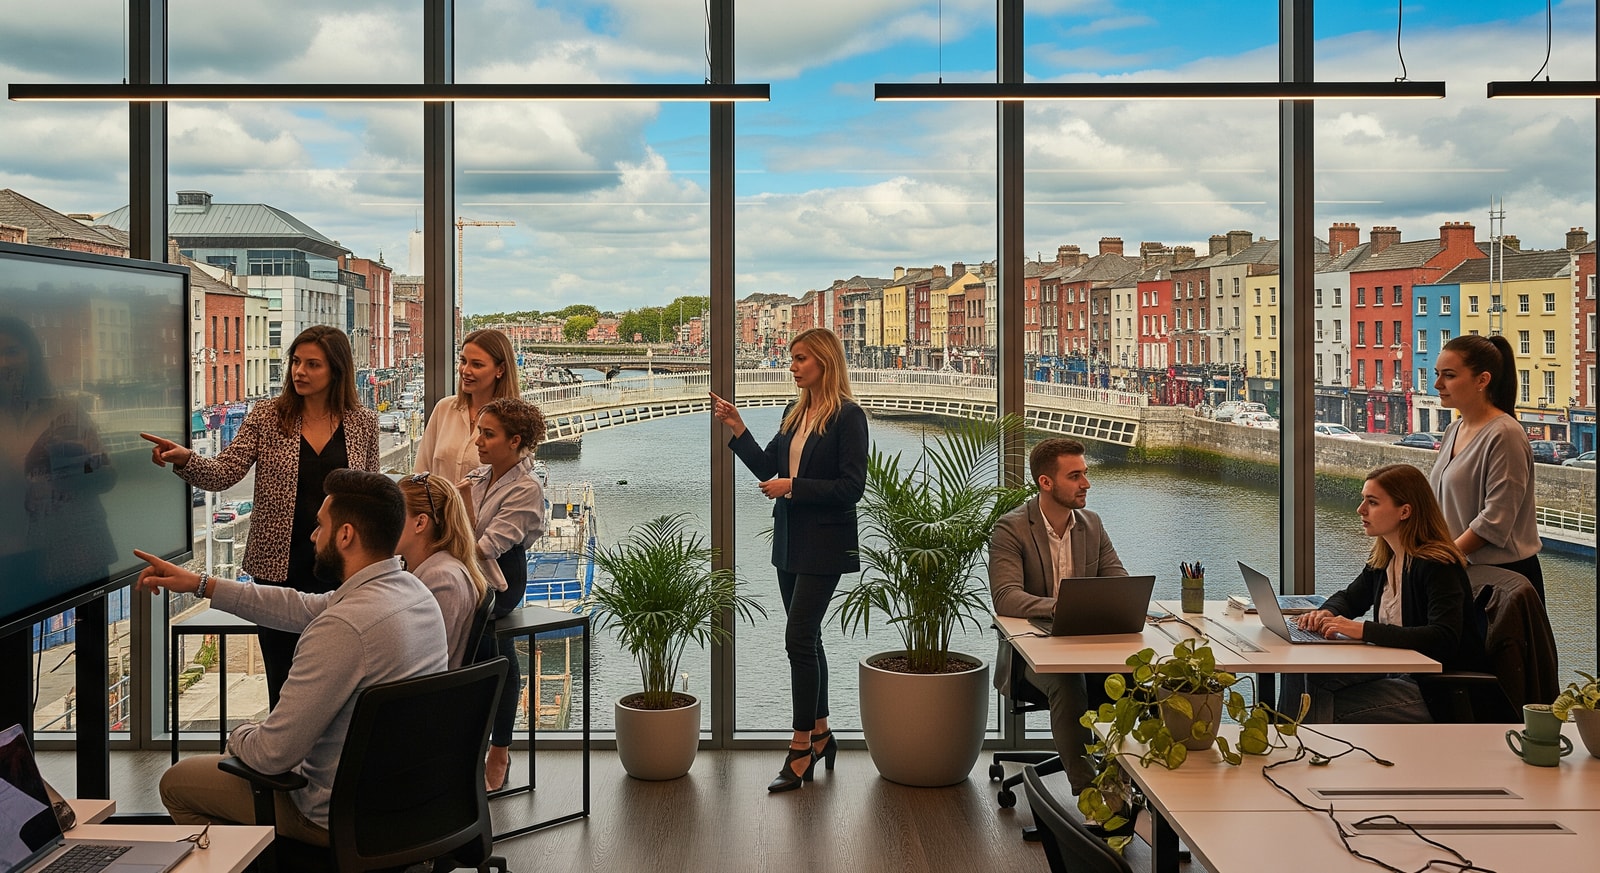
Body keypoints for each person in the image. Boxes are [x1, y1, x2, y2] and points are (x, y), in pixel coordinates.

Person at [134, 469, 448, 847]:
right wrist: (202, 584)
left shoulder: (344, 629)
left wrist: (238, 734)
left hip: (333, 815)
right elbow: (299, 606)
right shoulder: (413, 592)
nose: (313, 536)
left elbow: (271, 756)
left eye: (320, 526)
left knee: (177, 783)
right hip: (406, 803)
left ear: (346, 535)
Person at [142, 325, 380, 709]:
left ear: (336, 370)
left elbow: (369, 495)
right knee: (283, 679)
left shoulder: (362, 422)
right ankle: (283, 763)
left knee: (340, 676)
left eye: (312, 364)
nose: (299, 371)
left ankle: (332, 764)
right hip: (278, 565)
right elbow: (224, 472)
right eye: (296, 362)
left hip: (341, 566)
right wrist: (185, 459)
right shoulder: (269, 416)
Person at [710, 326, 868, 793]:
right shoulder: (793, 413)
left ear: (823, 361)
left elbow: (851, 488)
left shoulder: (848, 417)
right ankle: (821, 733)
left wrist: (794, 487)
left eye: (800, 358)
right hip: (790, 540)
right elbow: (768, 469)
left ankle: (800, 749)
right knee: (809, 638)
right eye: (792, 358)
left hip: (826, 544)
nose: (792, 366)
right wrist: (738, 429)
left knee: (798, 639)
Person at [1281, 464, 1487, 724]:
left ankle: (1298, 755)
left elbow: (1443, 637)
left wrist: (1364, 630)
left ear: (1405, 511)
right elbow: (1350, 598)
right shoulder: (1385, 556)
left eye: (1372, 502)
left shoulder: (1438, 565)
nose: (1361, 510)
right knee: (1300, 673)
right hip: (1394, 670)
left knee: (1316, 698)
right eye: (1363, 500)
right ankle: (1286, 748)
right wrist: (1327, 612)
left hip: (1434, 689)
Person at [988, 437, 1127, 798]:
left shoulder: (1091, 525)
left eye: (1085, 474)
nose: (1086, 484)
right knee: (1068, 680)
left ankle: (1123, 783)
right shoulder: (1011, 528)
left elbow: (1120, 584)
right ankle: (1091, 796)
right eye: (1075, 475)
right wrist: (1061, 606)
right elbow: (1005, 597)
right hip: (1032, 652)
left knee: (1143, 679)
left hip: (1089, 646)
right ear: (1045, 483)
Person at [460, 396, 546, 792]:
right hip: (465, 573)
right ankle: (480, 748)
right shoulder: (480, 477)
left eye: (488, 434)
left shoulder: (526, 489)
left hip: (499, 580)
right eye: (479, 431)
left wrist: (455, 513)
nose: (478, 440)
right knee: (485, 657)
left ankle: (496, 748)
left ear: (515, 441)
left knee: (491, 653)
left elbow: (486, 545)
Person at [1426, 333, 1544, 600]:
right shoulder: (1453, 429)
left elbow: (1495, 520)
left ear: (1482, 379)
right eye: (1437, 374)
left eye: (1449, 375)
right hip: (1461, 570)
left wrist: (1441, 560)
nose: (1437, 384)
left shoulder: (1505, 434)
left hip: (1503, 583)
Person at [398, 471, 490, 670]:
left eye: (393, 513)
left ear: (420, 523)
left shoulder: (441, 579)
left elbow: (427, 661)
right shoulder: (439, 569)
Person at [415, 328, 522, 483]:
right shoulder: (444, 409)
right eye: (463, 361)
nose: (465, 371)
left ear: (500, 369)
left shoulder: (515, 421)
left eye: (477, 365)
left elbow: (515, 484)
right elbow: (421, 471)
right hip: (437, 508)